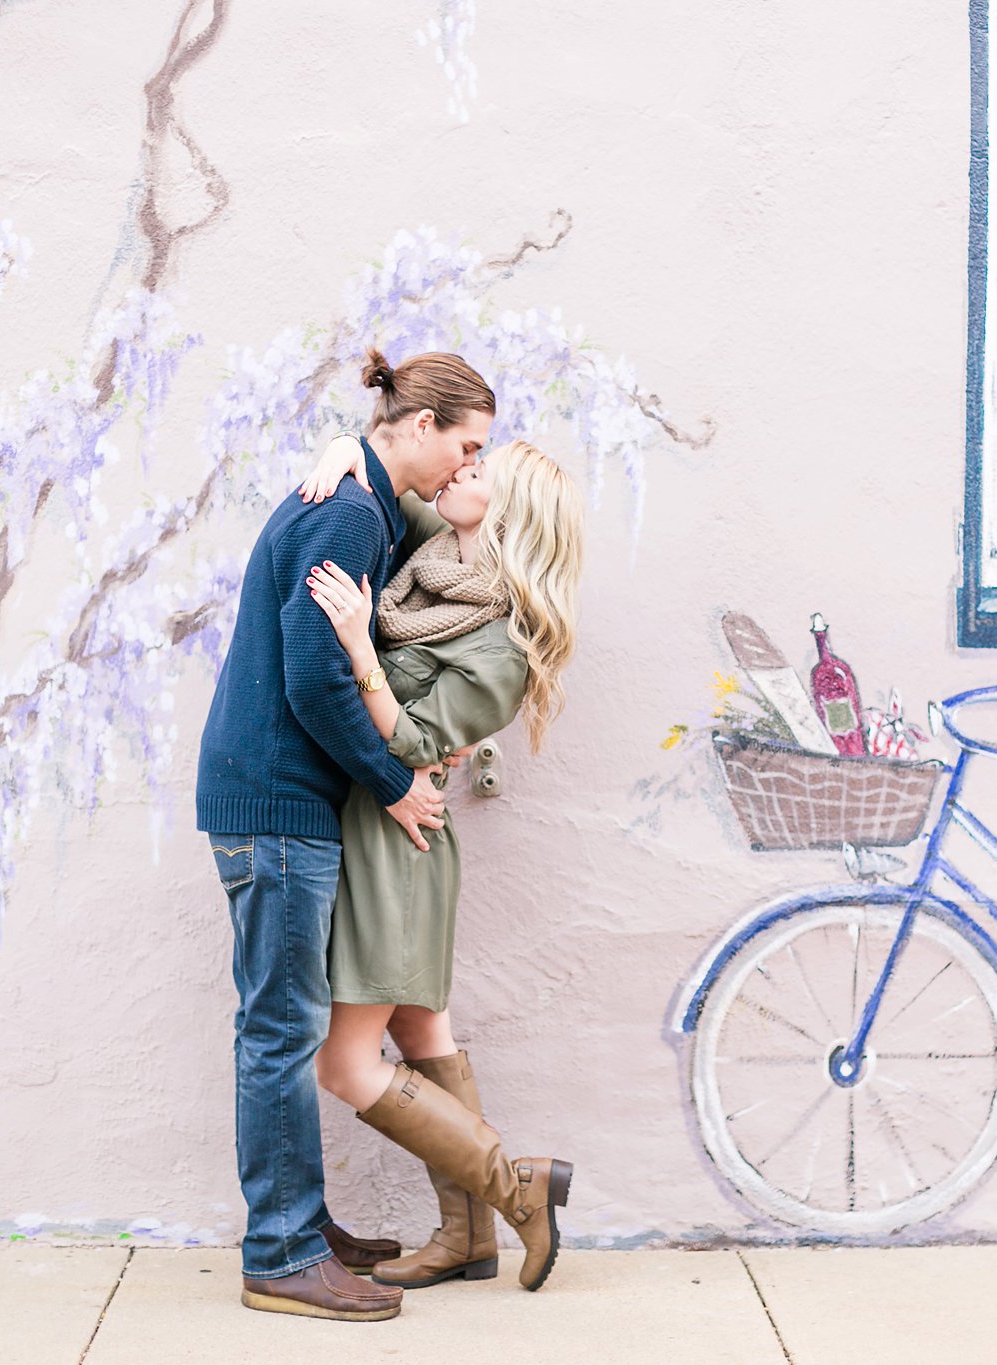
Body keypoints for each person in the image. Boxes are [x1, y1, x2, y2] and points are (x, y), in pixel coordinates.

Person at [195, 350, 493, 1323]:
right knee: (280, 1034)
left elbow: (424, 520)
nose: (466, 465)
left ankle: (301, 1228)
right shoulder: (349, 511)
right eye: (464, 443)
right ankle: (279, 1254)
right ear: (418, 427)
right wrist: (396, 783)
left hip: (275, 803)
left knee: (279, 1027)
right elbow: (316, 681)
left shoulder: (360, 496)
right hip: (278, 806)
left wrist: (349, 447)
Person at [298, 436, 585, 1292]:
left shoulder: (498, 646)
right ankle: (464, 1238)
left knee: (346, 1064)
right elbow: (396, 471)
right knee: (421, 1034)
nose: (460, 472)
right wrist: (344, 444)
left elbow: (418, 741)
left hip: (399, 840)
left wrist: (356, 648)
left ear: (507, 518)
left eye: (479, 475)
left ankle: (515, 1187)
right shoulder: (433, 564)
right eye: (464, 462)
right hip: (385, 826)